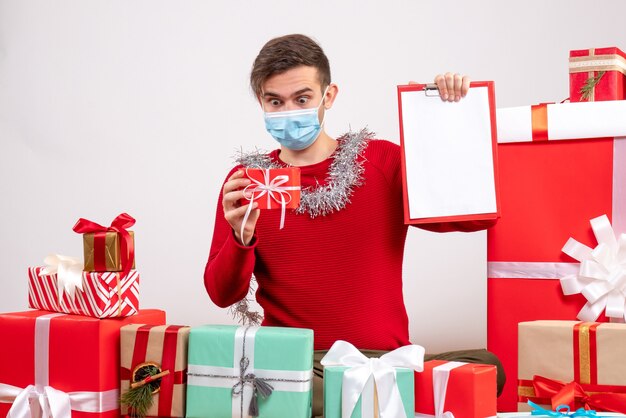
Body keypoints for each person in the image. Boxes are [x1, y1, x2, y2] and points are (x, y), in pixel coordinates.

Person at [204, 33, 504, 417]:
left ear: (328, 96)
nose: (288, 111)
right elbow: (222, 293)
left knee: (486, 368)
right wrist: (239, 238)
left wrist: (450, 117)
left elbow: (474, 217)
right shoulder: (248, 181)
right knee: (276, 387)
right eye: (274, 101)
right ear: (260, 102)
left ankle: (362, 393)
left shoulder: (382, 162)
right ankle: (359, 397)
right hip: (299, 366)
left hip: (384, 360)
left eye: (302, 98)